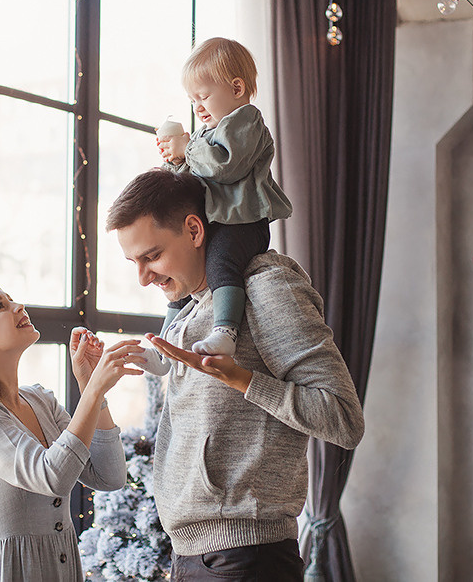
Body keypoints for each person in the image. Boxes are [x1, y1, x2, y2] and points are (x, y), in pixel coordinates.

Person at [105, 169, 364, 581]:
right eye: (133, 262)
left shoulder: (267, 287)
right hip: (192, 555)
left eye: (152, 256)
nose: (143, 277)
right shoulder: (191, 308)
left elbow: (344, 419)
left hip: (246, 558)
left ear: (194, 229)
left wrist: (243, 380)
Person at [0, 279, 144, 582]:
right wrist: (93, 391)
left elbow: (109, 476)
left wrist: (90, 386)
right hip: (7, 572)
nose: (19, 306)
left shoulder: (40, 400)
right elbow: (51, 477)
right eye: (0, 306)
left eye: (11, 299)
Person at [151, 36, 292, 358]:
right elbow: (189, 182)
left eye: (203, 96)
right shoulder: (203, 134)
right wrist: (174, 162)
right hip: (214, 224)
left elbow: (225, 166)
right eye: (192, 100)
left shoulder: (247, 122)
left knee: (220, 266)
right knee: (182, 278)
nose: (197, 106)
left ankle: (225, 330)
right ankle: (163, 350)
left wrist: (187, 148)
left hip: (242, 223)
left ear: (237, 89)